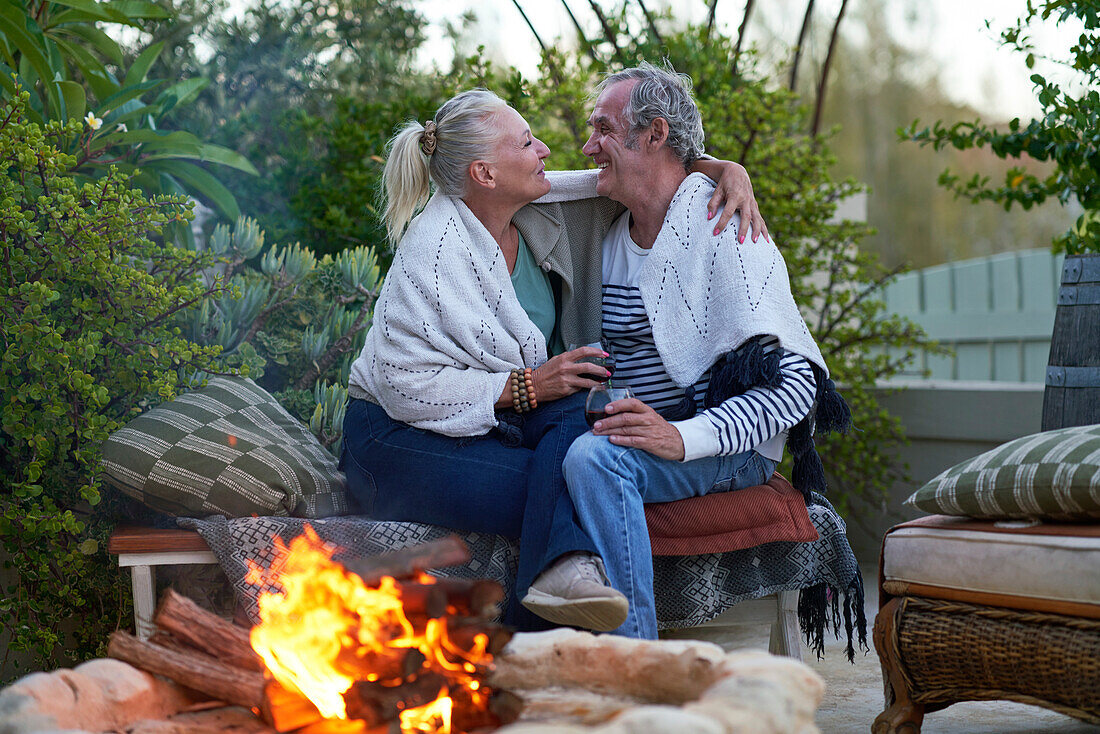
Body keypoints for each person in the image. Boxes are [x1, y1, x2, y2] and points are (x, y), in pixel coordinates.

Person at [341, 88, 764, 631]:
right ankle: (551, 595)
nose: (544, 149)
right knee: (575, 484)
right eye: (525, 142)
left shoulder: (545, 213)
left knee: (585, 415)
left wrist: (726, 168)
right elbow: (402, 386)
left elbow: (645, 173)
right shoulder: (435, 246)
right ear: (485, 175)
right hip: (395, 441)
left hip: (490, 425)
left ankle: (557, 609)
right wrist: (526, 387)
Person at [517, 63, 851, 639]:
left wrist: (681, 437)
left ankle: (635, 653)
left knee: (593, 460)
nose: (587, 145)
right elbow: (529, 187)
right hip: (635, 427)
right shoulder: (604, 228)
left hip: (727, 445)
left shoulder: (726, 231)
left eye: (602, 128)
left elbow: (796, 387)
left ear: (654, 134)